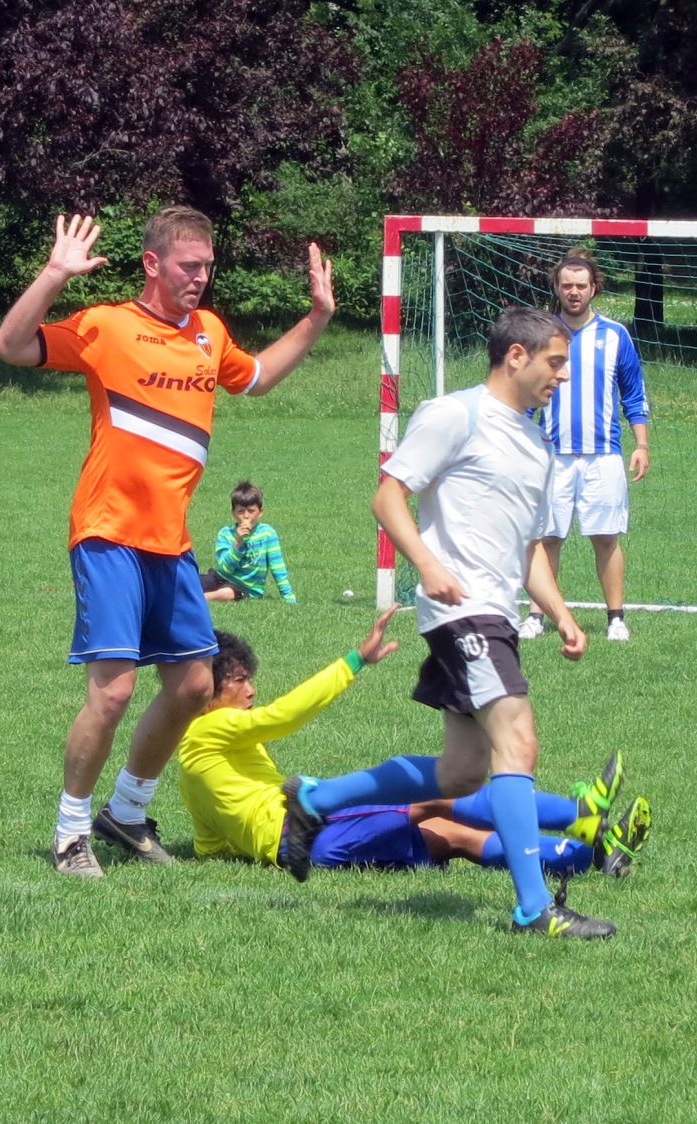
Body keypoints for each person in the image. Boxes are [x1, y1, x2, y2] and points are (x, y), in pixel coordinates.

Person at [0, 207, 334, 877]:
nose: (200, 277)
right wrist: (55, 274)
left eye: (207, 266)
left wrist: (317, 317)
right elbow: (10, 345)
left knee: (193, 684)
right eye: (188, 266)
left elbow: (258, 377)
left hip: (170, 543)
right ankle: (70, 833)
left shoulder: (209, 332)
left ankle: (126, 812)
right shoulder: (107, 325)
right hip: (108, 532)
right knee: (113, 693)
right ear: (153, 264)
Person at [282, 306, 620, 939]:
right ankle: (533, 908)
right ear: (515, 356)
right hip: (463, 612)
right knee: (518, 742)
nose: (564, 376)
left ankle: (314, 798)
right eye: (555, 362)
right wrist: (427, 565)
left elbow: (527, 552)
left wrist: (561, 613)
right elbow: (388, 495)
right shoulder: (453, 414)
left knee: (461, 771)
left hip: (497, 615)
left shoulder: (536, 444)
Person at [178, 611, 648, 879]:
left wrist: (237, 850)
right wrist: (353, 662)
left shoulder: (197, 757)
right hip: (311, 832)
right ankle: (580, 816)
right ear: (206, 690)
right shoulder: (207, 730)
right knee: (441, 800)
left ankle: (594, 853)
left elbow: (209, 842)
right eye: (238, 681)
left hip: (316, 839)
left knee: (451, 834)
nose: (251, 690)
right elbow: (283, 716)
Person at [520, 252, 650, 643]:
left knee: (606, 538)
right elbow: (525, 395)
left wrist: (641, 444)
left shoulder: (615, 335)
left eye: (581, 285)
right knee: (546, 538)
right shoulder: (539, 336)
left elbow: (634, 393)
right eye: (567, 285)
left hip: (603, 455)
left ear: (594, 288)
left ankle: (616, 619)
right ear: (557, 288)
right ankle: (536, 616)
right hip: (552, 455)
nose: (573, 292)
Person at [202, 480, 297, 604]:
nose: (246, 516)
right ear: (233, 513)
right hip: (221, 578)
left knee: (226, 593)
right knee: (190, 581)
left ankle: (200, 598)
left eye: (251, 511)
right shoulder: (225, 533)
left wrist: (289, 597)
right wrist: (237, 543)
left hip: (246, 588)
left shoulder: (267, 534)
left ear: (260, 512)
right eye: (240, 511)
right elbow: (224, 570)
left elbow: (278, 568)